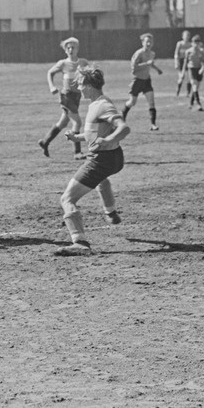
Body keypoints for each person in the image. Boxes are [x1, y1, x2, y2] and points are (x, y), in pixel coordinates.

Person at [55, 66, 130, 256]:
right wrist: (77, 137)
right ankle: (111, 212)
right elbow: (93, 134)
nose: (79, 88)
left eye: (81, 84)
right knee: (101, 179)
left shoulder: (102, 105)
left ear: (89, 86)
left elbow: (124, 128)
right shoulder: (96, 104)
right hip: (113, 158)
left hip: (101, 160)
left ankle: (80, 242)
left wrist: (108, 140)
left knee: (67, 199)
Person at [38, 37, 88, 160]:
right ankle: (77, 152)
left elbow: (89, 76)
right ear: (65, 50)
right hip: (66, 96)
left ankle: (45, 142)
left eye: (73, 47)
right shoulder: (63, 63)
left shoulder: (83, 63)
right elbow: (50, 73)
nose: (70, 50)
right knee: (77, 122)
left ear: (77, 49)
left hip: (76, 97)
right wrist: (52, 86)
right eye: (68, 48)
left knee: (63, 123)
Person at [122, 33, 162, 131]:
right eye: (147, 41)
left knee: (151, 102)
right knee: (132, 102)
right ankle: (122, 118)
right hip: (137, 80)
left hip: (147, 80)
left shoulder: (152, 54)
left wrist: (157, 69)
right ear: (142, 42)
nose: (148, 43)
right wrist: (146, 64)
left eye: (150, 42)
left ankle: (153, 125)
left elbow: (150, 64)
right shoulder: (138, 53)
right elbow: (134, 68)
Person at [182, 35, 204, 111]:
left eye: (197, 42)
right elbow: (185, 62)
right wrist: (183, 72)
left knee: (195, 88)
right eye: (194, 42)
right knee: (194, 85)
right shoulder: (188, 51)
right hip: (191, 69)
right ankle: (199, 104)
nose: (196, 44)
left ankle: (191, 103)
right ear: (192, 43)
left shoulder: (201, 51)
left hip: (198, 69)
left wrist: (202, 69)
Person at [174, 30, 193, 96]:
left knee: (189, 77)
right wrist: (176, 62)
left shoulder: (191, 44)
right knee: (181, 77)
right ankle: (178, 90)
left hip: (188, 61)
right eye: (185, 36)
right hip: (181, 61)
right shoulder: (180, 44)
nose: (187, 37)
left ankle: (188, 92)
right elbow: (176, 54)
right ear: (182, 36)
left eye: (188, 36)